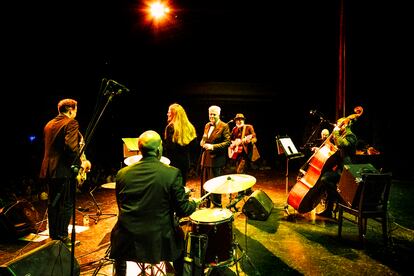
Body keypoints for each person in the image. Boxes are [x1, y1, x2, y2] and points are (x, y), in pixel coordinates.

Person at [109, 130, 200, 276]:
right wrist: (194, 204)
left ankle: (120, 273)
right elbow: (183, 210)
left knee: (118, 236)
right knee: (180, 237)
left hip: (127, 237)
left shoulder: (122, 174)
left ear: (139, 150)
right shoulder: (172, 173)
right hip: (160, 237)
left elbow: (121, 206)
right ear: (159, 149)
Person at [39, 98, 90, 247]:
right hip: (63, 170)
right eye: (75, 110)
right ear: (70, 110)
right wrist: (82, 164)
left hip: (49, 169)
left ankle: (54, 236)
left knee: (53, 203)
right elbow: (71, 148)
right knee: (66, 203)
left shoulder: (49, 124)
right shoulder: (71, 123)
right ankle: (62, 237)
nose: (75, 113)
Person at [317, 117, 358, 219]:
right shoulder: (343, 135)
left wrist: (335, 133)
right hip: (340, 169)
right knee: (325, 176)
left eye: (339, 125)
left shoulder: (351, 136)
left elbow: (341, 144)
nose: (337, 127)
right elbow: (339, 149)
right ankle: (329, 209)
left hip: (347, 171)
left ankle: (338, 200)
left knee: (325, 178)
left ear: (345, 125)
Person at [199, 105, 231, 208]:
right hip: (206, 158)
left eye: (214, 114)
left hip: (216, 160)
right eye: (210, 114)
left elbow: (227, 142)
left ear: (219, 115)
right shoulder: (207, 125)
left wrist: (212, 147)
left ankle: (217, 205)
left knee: (215, 184)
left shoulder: (224, 126)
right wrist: (202, 141)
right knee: (204, 183)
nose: (212, 116)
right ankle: (205, 204)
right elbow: (205, 138)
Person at [227, 113, 257, 209]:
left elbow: (254, 138)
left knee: (239, 172)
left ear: (243, 120)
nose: (239, 121)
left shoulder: (248, 127)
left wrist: (249, 141)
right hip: (237, 154)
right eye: (237, 120)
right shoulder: (234, 129)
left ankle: (240, 193)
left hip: (246, 154)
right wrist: (232, 144)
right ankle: (248, 189)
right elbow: (230, 140)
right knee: (243, 173)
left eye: (241, 119)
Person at [164, 103, 198, 186]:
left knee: (172, 187)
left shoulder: (171, 127)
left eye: (169, 112)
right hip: (185, 162)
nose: (167, 114)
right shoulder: (190, 127)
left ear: (174, 114)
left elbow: (169, 148)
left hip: (172, 163)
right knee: (181, 186)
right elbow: (194, 146)